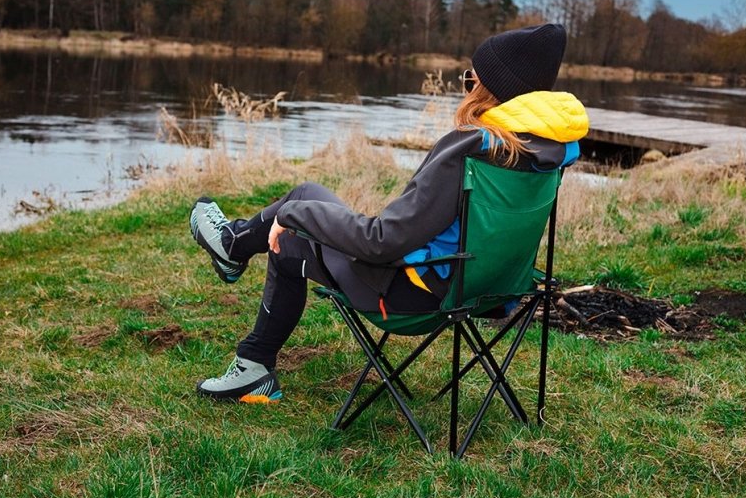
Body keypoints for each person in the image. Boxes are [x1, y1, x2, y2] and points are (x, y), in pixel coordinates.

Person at [189, 23, 589, 403]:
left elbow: (381, 242)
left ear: (488, 91)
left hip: (409, 297)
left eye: (471, 80)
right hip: (487, 292)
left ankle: (252, 360)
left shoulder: (470, 149)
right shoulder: (549, 151)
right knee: (306, 195)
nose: (465, 90)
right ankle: (233, 245)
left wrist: (293, 215)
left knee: (291, 235)